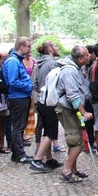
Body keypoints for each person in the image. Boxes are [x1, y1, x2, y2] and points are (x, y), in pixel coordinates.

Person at [54, 45, 93, 183]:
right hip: (67, 109)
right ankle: (66, 170)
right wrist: (84, 112)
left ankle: (74, 170)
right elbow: (72, 96)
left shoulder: (76, 68)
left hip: (71, 109)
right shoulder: (69, 72)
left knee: (74, 139)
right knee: (76, 140)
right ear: (81, 58)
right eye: (87, 55)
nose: (90, 56)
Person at [29, 41, 63, 172]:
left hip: (42, 101)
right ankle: (37, 159)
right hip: (50, 102)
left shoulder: (39, 64)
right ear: (50, 49)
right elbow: (57, 84)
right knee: (51, 131)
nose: (57, 48)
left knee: (47, 130)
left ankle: (49, 160)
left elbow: (35, 84)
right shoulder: (53, 64)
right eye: (55, 46)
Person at [2, 36, 34, 164]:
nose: (30, 49)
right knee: (18, 127)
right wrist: (29, 86)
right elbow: (13, 81)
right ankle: (19, 154)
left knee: (20, 126)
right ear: (22, 47)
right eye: (28, 46)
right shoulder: (13, 61)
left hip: (22, 97)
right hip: (17, 98)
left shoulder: (17, 60)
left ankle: (17, 153)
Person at [22, 48, 36, 145]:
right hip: (23, 88)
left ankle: (29, 132)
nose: (30, 52)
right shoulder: (20, 62)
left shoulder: (34, 61)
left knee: (31, 112)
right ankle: (22, 133)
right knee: (24, 112)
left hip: (32, 88)